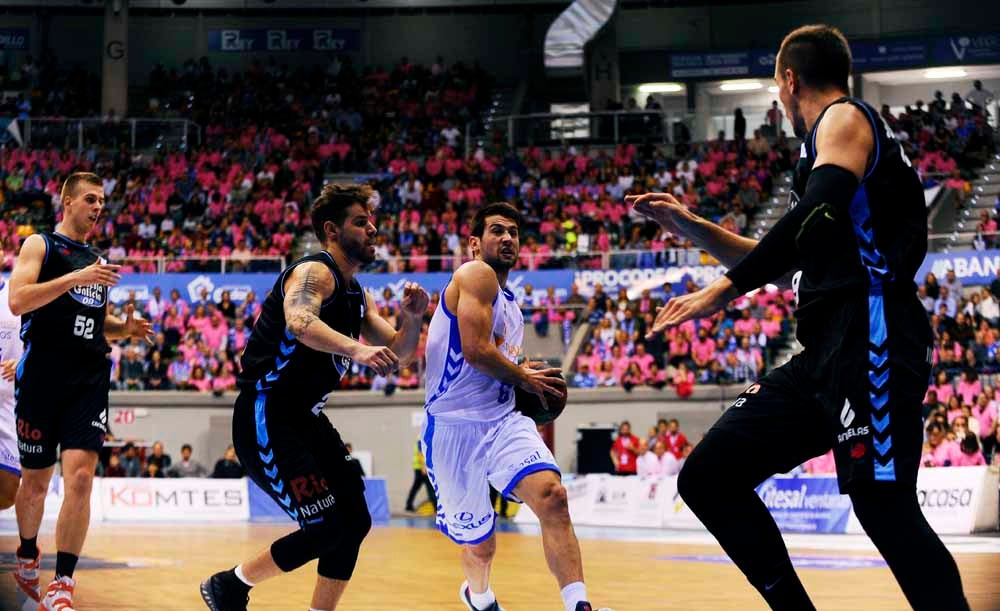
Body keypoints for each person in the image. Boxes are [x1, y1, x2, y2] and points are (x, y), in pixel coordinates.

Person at [627, 25, 968, 611]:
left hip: (873, 333)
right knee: (709, 477)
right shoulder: (821, 156)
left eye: (775, 88)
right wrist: (694, 228)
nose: (778, 102)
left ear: (789, 79)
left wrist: (723, 290)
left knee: (883, 506)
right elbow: (792, 252)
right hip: (823, 353)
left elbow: (812, 215)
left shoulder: (843, 120)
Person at [200, 183, 428, 611]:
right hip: (266, 413)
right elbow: (300, 321)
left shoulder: (359, 294)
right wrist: (356, 349)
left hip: (307, 420)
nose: (373, 229)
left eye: (372, 221)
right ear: (331, 230)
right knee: (324, 525)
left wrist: (412, 319)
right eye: (360, 222)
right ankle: (230, 584)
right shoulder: (314, 272)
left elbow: (400, 356)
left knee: (355, 521)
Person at [421, 202, 610, 611]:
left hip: (503, 418)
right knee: (482, 547)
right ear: (474, 243)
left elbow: (496, 360)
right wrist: (525, 377)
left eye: (513, 232)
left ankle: (579, 605)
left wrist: (525, 374)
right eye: (496, 231)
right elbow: (474, 351)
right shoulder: (475, 274)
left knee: (552, 496)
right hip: (454, 430)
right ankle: (479, 596)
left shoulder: (511, 304)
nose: (507, 238)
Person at [10, 172, 154, 611]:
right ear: (67, 201)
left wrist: (123, 328)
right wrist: (76, 278)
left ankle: (63, 583)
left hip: (88, 376)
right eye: (90, 199)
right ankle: (28, 552)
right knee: (35, 483)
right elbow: (19, 300)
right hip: (41, 376)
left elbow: (94, 320)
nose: (98, 208)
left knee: (80, 477)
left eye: (102, 202)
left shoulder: (96, 259)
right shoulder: (41, 246)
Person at [0, 266, 23, 510]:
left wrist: (23, 362)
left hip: (6, 402)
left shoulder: (16, 295)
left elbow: (39, 340)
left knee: (7, 494)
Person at [405, 438, 435, 512]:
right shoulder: (421, 439)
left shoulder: (420, 438)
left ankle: (409, 505)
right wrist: (424, 467)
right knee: (430, 487)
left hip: (419, 467)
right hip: (421, 469)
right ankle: (436, 506)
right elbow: (420, 453)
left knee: (416, 487)